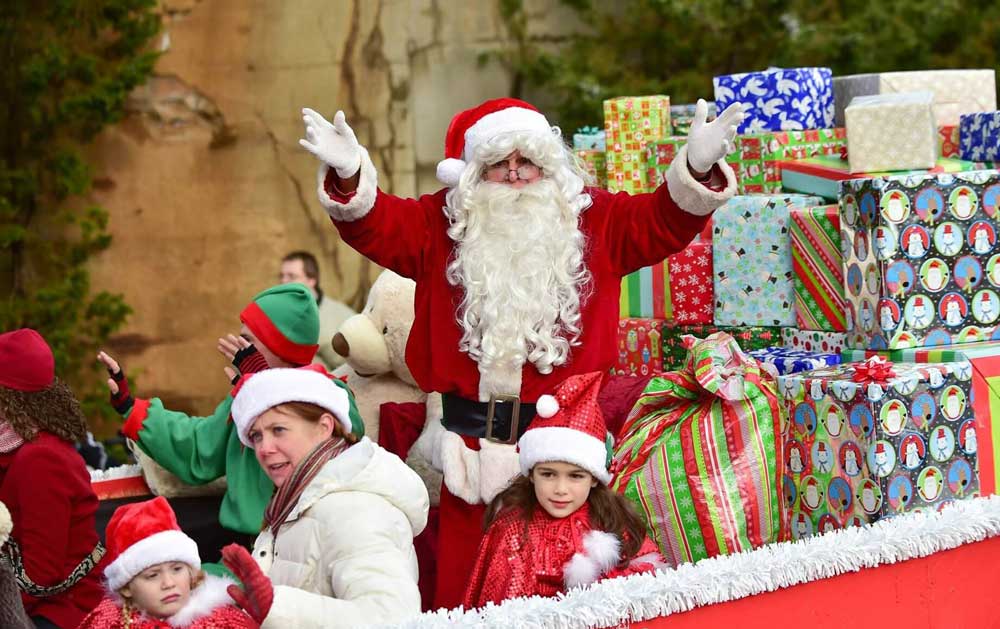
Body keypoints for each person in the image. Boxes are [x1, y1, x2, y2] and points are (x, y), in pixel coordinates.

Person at [299, 96, 744, 607]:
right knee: (468, 604)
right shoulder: (440, 225)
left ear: (549, 164)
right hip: (469, 464)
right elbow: (375, 224)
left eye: (527, 160)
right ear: (472, 174)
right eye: (498, 163)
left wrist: (695, 168)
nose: (515, 175)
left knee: (568, 604)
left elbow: (663, 220)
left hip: (563, 470)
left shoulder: (596, 220)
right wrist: (351, 173)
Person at [96, 283, 320, 536]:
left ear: (279, 346)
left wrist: (267, 388)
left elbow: (331, 445)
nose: (239, 348)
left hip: (299, 546)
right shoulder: (244, 396)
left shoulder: (331, 395)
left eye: (248, 340)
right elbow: (201, 447)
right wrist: (131, 407)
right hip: (245, 548)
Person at [220, 364, 429, 627]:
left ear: (324, 427)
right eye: (256, 436)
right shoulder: (299, 501)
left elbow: (392, 618)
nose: (264, 448)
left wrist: (277, 605)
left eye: (279, 430)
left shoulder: (354, 510)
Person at [463, 372, 664, 607]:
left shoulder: (610, 517)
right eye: (548, 474)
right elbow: (504, 610)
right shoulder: (514, 532)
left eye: (575, 476)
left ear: (594, 478)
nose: (560, 489)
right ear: (531, 474)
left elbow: (649, 582)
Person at [0, 329, 107, 629]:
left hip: (61, 610)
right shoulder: (17, 446)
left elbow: (41, 575)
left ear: (8, 397)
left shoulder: (40, 459)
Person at [77, 497, 256, 629]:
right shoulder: (106, 622)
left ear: (191, 574)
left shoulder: (225, 622)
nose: (168, 583)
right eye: (153, 575)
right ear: (126, 587)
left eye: (177, 569)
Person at [279, 250, 356, 370]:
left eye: (291, 276)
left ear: (311, 280)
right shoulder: (279, 313)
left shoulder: (341, 317)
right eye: (282, 276)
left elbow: (353, 367)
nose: (283, 282)